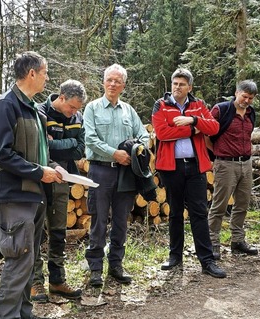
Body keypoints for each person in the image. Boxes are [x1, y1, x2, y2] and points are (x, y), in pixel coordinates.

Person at [0, 51, 64, 318]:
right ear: (31, 73)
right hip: (14, 195)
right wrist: (37, 171)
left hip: (35, 193)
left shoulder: (34, 108)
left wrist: (52, 167)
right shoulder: (5, 105)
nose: (47, 78)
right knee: (18, 259)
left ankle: (24, 313)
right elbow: (0, 153)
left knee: (28, 262)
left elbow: (38, 153)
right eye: (45, 73)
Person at [152, 68, 226, 278]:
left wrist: (193, 120)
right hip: (171, 166)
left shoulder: (198, 105)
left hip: (195, 166)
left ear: (189, 87)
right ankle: (175, 257)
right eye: (175, 83)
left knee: (199, 213)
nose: (177, 87)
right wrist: (194, 130)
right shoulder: (161, 104)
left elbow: (213, 127)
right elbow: (162, 133)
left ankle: (207, 260)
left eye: (182, 84)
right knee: (175, 212)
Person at [84, 64, 149, 287]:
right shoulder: (92, 108)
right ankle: (95, 269)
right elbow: (90, 139)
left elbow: (144, 135)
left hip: (125, 174)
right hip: (100, 170)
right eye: (109, 80)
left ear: (123, 85)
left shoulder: (128, 111)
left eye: (117, 81)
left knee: (121, 220)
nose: (113, 84)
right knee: (99, 220)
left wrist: (136, 149)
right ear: (103, 82)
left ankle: (116, 265)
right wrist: (115, 153)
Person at [29, 80, 86, 302]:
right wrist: (67, 143)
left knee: (59, 231)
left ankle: (57, 280)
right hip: (39, 177)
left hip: (64, 179)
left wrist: (60, 143)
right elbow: (39, 146)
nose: (73, 113)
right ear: (60, 97)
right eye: (71, 107)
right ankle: (35, 282)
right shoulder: (39, 112)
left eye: (77, 109)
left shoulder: (78, 117)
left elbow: (80, 149)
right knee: (35, 232)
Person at [206, 80, 259, 259]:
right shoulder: (221, 110)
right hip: (225, 164)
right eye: (244, 96)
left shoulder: (251, 113)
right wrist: (217, 155)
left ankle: (237, 240)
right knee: (219, 205)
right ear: (236, 93)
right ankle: (212, 242)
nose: (247, 100)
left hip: (246, 163)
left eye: (250, 98)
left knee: (242, 204)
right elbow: (207, 135)